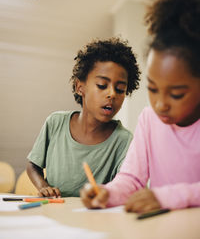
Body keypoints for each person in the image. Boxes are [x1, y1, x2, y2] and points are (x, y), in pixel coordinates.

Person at [80, 0, 200, 212]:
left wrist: (169, 196)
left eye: (176, 94)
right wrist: (107, 192)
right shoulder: (149, 119)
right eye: (153, 89)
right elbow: (132, 180)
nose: (160, 105)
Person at [26, 37, 140, 197]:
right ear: (80, 87)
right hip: (53, 214)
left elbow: (125, 185)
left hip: (93, 218)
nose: (112, 94)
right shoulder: (55, 123)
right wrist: (43, 186)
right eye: (102, 85)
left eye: (120, 89)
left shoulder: (124, 140)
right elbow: (33, 165)